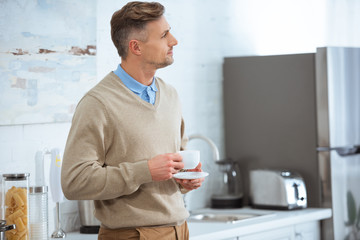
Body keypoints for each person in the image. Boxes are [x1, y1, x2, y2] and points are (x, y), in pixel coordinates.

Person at [61, 1, 205, 239]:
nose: (174, 41)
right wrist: (144, 170)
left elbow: (176, 161)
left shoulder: (170, 95)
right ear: (136, 47)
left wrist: (185, 180)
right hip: (132, 235)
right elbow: (74, 181)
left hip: (180, 230)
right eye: (164, 35)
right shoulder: (98, 103)